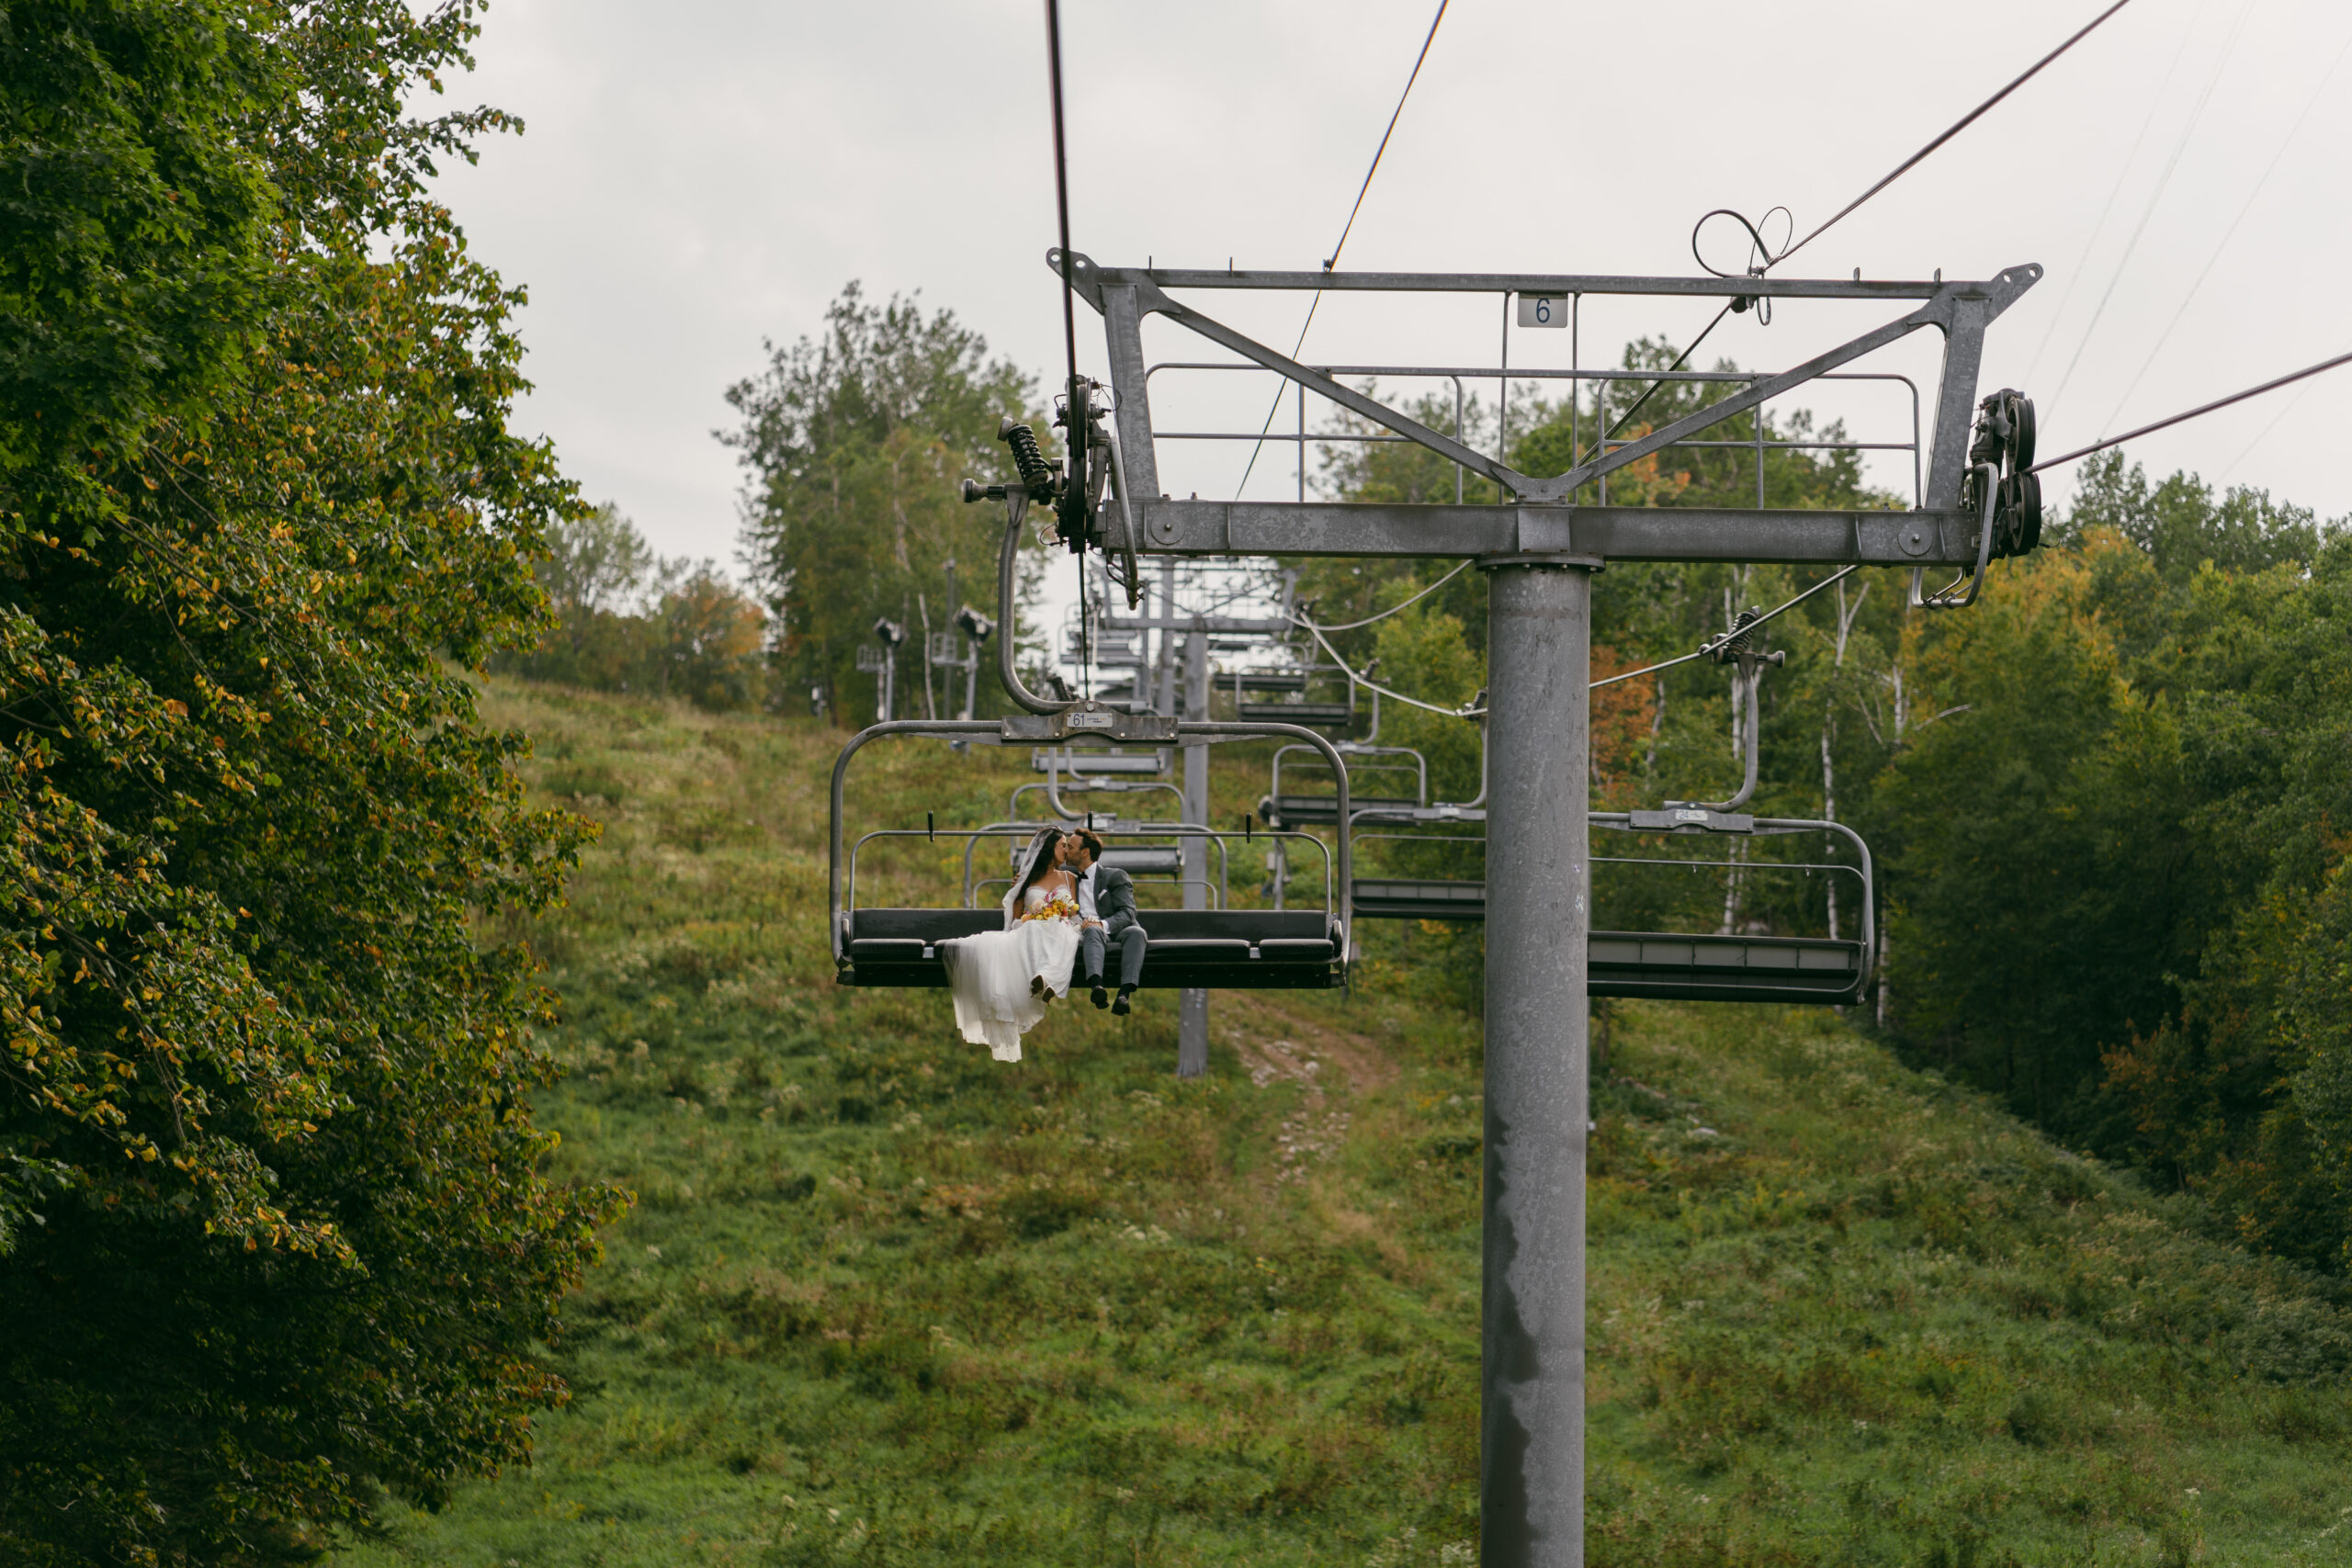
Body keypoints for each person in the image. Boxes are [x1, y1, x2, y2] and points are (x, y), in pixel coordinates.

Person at [938, 828, 1084, 1062]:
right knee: (1035, 928)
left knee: (1061, 929)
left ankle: (1046, 979)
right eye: (1062, 845)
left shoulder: (1069, 878)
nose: (1066, 850)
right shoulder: (1027, 879)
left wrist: (1069, 919)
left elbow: (1074, 910)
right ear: (1049, 849)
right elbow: (1016, 918)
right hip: (1033, 928)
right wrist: (1033, 915)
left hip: (1061, 926)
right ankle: (1044, 981)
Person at [1065, 829, 1147, 1015]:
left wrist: (1102, 924)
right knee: (1092, 932)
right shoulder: (1066, 875)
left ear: (1084, 852)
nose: (1066, 851)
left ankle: (1124, 995)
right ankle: (1096, 987)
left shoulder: (1115, 876)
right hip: (1087, 930)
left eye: (1070, 847)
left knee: (1137, 933)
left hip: (1117, 928)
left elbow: (1128, 913)